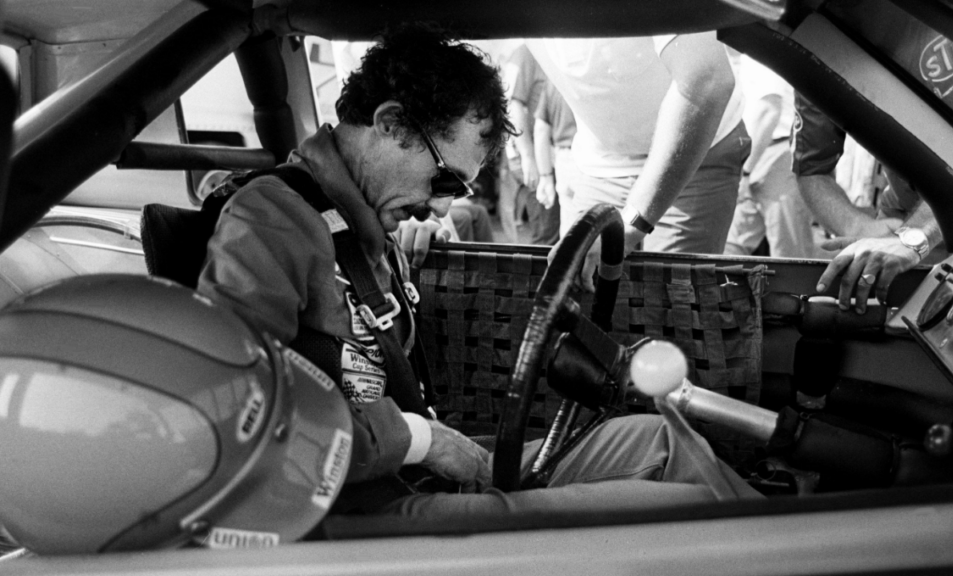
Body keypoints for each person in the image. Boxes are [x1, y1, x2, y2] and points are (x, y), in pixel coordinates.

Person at [196, 25, 758, 520]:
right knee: (692, 511)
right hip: (356, 510)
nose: (442, 207)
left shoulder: (366, 226)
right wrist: (420, 439)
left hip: (416, 471)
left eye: (457, 191)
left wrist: (411, 233)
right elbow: (235, 408)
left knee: (662, 438)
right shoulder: (272, 220)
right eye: (444, 182)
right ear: (391, 125)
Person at [800, 0, 953, 314]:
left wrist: (915, 236)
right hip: (917, 220)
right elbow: (811, 171)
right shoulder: (826, 39)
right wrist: (860, 226)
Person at [526, 33, 749, 290]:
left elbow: (707, 81)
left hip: (694, 147)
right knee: (579, 286)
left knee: (667, 304)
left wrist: (633, 224)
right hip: (604, 160)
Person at [724, 54, 818, 259]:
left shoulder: (756, 56)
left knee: (789, 253)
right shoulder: (743, 57)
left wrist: (745, 170)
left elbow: (769, 110)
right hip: (758, 153)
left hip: (777, 153)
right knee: (731, 245)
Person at [499, 43, 561, 245]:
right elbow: (512, 105)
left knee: (552, 231)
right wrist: (528, 156)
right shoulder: (527, 53)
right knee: (547, 235)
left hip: (548, 154)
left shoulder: (549, 53)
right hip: (535, 155)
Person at [532, 80, 579, 238]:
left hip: (564, 161)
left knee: (570, 237)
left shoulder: (554, 79)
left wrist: (545, 177)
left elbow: (540, 129)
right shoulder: (598, 73)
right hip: (598, 160)